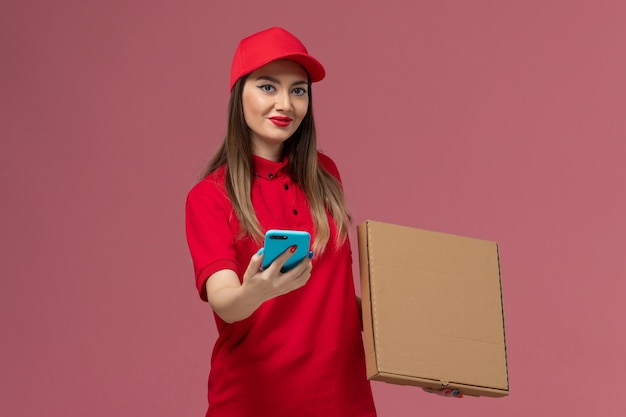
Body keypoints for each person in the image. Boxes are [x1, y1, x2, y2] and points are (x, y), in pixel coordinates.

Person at [185, 27, 378, 417]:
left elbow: (334, 301)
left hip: (342, 401)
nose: (286, 104)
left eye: (298, 90)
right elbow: (226, 301)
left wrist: (430, 356)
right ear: (239, 93)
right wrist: (256, 290)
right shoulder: (210, 196)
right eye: (268, 87)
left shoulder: (326, 176)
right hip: (255, 402)